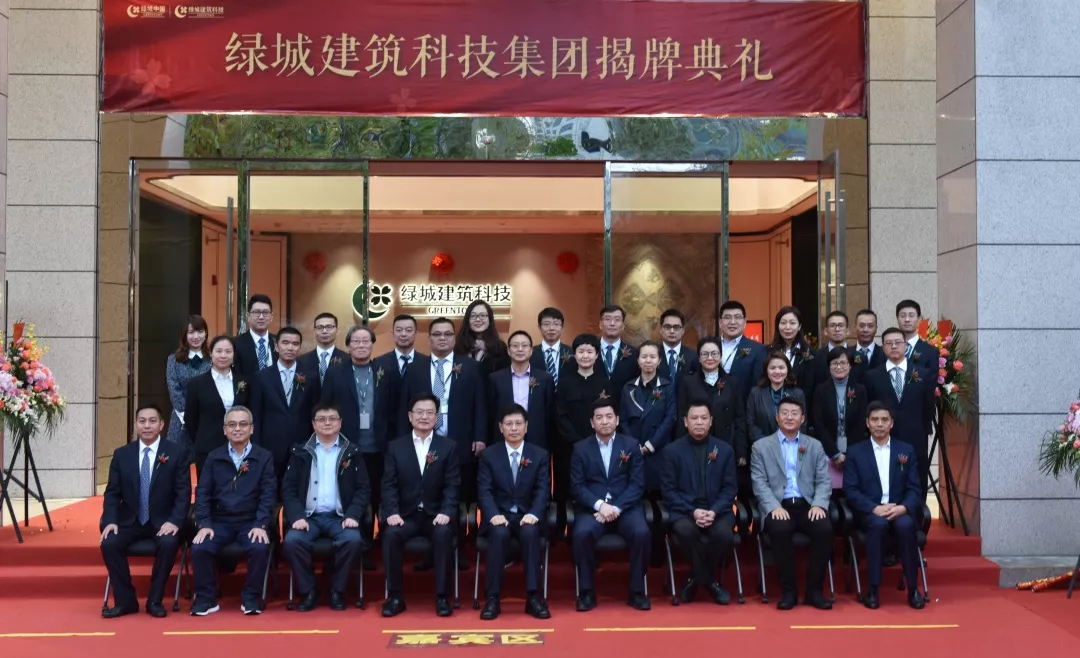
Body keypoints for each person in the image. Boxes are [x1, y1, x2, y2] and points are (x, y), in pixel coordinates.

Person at [100, 404, 192, 618]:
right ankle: (126, 601)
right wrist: (110, 520)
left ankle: (155, 600)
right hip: (130, 520)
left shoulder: (177, 453)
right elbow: (112, 493)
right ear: (135, 425)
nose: (147, 426)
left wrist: (175, 521)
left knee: (169, 542)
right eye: (142, 421)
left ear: (162, 424)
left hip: (164, 520)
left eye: (152, 421)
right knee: (109, 542)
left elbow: (183, 493)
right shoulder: (122, 455)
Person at [281, 403, 371, 612]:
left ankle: (337, 590)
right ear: (313, 424)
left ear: (340, 423)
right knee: (292, 541)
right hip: (308, 517)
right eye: (321, 419)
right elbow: (288, 489)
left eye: (332, 419)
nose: (327, 423)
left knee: (352, 540)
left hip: (340, 517)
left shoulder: (352, 451)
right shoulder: (300, 451)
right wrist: (296, 516)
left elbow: (363, 488)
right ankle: (309, 590)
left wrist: (353, 515)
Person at [189, 406, 276, 616]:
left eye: (243, 424)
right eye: (232, 424)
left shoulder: (263, 457)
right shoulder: (214, 457)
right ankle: (206, 599)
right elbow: (203, 493)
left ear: (252, 429)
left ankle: (251, 598)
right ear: (224, 430)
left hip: (251, 521)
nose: (238, 429)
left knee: (259, 547)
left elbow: (268, 494)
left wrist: (261, 524)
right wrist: (204, 524)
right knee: (200, 547)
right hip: (219, 521)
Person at [380, 394, 461, 618]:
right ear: (410, 416)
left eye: (429, 413)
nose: (424, 417)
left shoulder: (448, 447)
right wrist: (392, 512)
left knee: (444, 534)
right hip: (405, 515)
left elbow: (452, 485)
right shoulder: (396, 447)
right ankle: (395, 597)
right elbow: (388, 484)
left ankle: (442, 597)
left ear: (436, 417)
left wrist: (446, 512)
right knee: (391, 535)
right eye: (419, 412)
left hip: (435, 515)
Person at [750, 397, 833, 611]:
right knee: (780, 529)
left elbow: (824, 480)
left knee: (824, 528)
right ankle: (789, 592)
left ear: (802, 418)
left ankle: (814, 591)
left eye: (794, 413)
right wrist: (774, 507)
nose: (789, 417)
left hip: (807, 504)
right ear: (776, 417)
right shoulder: (761, 447)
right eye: (784, 413)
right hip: (778, 504)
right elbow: (759, 483)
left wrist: (819, 504)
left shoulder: (814, 445)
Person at [320, 325, 396, 560]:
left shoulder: (384, 371)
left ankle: (376, 547)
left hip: (379, 447)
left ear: (372, 345)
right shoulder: (336, 373)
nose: (361, 345)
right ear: (348, 346)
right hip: (347, 447)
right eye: (356, 341)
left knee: (377, 496)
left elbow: (394, 409)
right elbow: (325, 407)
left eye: (366, 341)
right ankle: (355, 547)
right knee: (351, 497)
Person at [570, 399, 650, 612]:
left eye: (609, 417)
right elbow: (577, 486)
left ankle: (637, 591)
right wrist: (600, 505)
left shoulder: (631, 445)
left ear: (617, 420)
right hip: (593, 510)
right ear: (592, 422)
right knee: (582, 533)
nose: (604, 421)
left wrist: (615, 507)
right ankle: (587, 592)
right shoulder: (580, 448)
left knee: (641, 532)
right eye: (599, 418)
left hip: (625, 508)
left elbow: (637, 484)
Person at [843, 403, 925, 610]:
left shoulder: (905, 450)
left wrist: (903, 508)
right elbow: (850, 490)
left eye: (884, 420)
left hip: (899, 509)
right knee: (878, 525)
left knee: (906, 525)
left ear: (891, 423)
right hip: (871, 512)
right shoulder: (855, 452)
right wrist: (874, 508)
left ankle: (913, 589)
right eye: (875, 420)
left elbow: (915, 489)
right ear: (867, 423)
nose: (879, 424)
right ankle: (872, 589)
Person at [476, 404, 552, 621]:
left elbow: (543, 490)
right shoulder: (489, 455)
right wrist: (493, 515)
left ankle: (533, 597)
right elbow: (484, 490)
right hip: (499, 515)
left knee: (530, 532)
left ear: (526, 426)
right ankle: (492, 598)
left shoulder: (539, 455)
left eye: (519, 423)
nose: (514, 428)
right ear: (501, 428)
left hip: (528, 515)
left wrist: (535, 513)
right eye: (509, 424)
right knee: (499, 534)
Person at [661, 401, 737, 605]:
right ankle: (710, 582)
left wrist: (713, 511)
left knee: (723, 534)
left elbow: (730, 489)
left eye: (704, 418)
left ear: (711, 421)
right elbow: (669, 491)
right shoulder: (672, 451)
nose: (699, 422)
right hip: (684, 511)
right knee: (686, 531)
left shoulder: (724, 450)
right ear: (685, 422)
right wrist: (692, 511)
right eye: (694, 418)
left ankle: (696, 579)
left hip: (717, 510)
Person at [863, 328, 935, 498]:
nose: (893, 346)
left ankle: (917, 513)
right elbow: (869, 408)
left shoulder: (923, 374)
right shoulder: (872, 376)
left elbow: (928, 407)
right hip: (884, 439)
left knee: (916, 484)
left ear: (906, 346)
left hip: (915, 438)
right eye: (889, 343)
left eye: (898, 342)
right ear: (883, 348)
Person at [553, 333, 612, 537]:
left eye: (589, 351)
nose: (585, 356)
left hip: (599, 448)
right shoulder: (564, 383)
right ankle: (560, 532)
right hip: (569, 448)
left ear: (597, 355)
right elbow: (560, 416)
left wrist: (594, 441)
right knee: (564, 489)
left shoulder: (605, 383)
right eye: (581, 351)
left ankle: (591, 529)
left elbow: (609, 416)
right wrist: (579, 442)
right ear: (574, 355)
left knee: (593, 487)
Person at [252, 326, 321, 487]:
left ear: (300, 348)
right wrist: (257, 448)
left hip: (302, 447)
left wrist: (312, 445)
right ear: (276, 346)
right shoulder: (261, 377)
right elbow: (256, 415)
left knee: (299, 491)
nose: (290, 347)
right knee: (271, 491)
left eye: (295, 344)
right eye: (285, 343)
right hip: (270, 447)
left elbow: (315, 413)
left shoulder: (311, 376)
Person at [185, 335, 251, 474]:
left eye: (228, 351)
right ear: (211, 353)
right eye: (219, 351)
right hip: (207, 448)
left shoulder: (244, 382)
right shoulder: (196, 384)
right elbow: (190, 420)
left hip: (240, 448)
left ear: (233, 355)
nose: (223, 355)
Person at [618, 340, 676, 495]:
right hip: (633, 449)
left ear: (659, 360)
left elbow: (670, 418)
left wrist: (651, 445)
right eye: (644, 357)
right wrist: (634, 445)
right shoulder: (628, 387)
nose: (648, 360)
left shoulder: (667, 387)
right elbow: (623, 420)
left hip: (659, 448)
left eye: (652, 356)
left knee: (657, 494)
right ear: (638, 360)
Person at [678, 337, 746, 464]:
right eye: (705, 354)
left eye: (714, 353)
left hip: (726, 443)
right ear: (699, 358)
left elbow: (739, 418)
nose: (710, 358)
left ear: (720, 356)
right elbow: (681, 415)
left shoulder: (732, 382)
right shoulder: (688, 382)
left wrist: (741, 451)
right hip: (695, 443)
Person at [812, 347, 869, 491]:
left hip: (854, 451)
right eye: (834, 363)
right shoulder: (820, 390)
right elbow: (818, 424)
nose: (839, 367)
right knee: (829, 492)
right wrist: (834, 454)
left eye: (843, 363)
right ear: (829, 366)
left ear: (850, 366)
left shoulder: (859, 390)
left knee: (853, 490)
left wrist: (849, 454)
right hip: (827, 452)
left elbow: (861, 423)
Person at [490, 330, 555, 451]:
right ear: (508, 351)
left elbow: (549, 413)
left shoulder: (545, 379)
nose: (520, 349)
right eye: (515, 346)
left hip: (536, 438)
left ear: (531, 350)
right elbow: (491, 412)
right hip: (504, 438)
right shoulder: (495, 379)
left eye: (524, 345)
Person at [164, 315, 211, 446]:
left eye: (200, 331)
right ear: (184, 335)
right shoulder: (173, 360)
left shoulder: (213, 359)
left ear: (206, 333)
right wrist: (187, 417)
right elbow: (174, 390)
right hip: (180, 421)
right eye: (191, 332)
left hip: (206, 420)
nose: (196, 336)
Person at [746, 352, 807, 448]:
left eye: (781, 368)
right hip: (763, 447)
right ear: (766, 370)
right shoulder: (755, 393)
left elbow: (803, 423)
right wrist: (768, 444)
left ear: (787, 370)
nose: (777, 371)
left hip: (790, 446)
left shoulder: (798, 393)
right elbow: (751, 423)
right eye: (773, 368)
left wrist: (787, 441)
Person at [716, 300, 766, 408]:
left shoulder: (758, 350)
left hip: (743, 410)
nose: (732, 322)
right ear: (720, 322)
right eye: (727, 317)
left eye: (737, 317)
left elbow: (757, 387)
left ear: (744, 322)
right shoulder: (709, 346)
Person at [456, 300, 510, 384]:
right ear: (467, 319)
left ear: (490, 319)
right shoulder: (459, 346)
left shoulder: (499, 348)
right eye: (473, 316)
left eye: (482, 315)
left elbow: (504, 378)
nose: (478, 319)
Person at [768, 306, 815, 402]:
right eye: (783, 323)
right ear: (778, 326)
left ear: (799, 326)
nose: (787, 327)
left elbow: (811, 387)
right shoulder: (767, 352)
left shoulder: (811, 354)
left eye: (792, 323)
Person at [597, 304, 639, 396]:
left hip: (623, 402)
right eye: (608, 319)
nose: (612, 323)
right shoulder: (590, 350)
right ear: (600, 324)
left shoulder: (634, 354)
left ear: (623, 326)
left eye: (617, 319)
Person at [297, 312, 349, 385]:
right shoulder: (301, 361)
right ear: (314, 331)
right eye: (320, 327)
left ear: (337, 330)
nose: (324, 331)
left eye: (329, 327)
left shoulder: (347, 359)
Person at [895, 300, 940, 382]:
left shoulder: (931, 351)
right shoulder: (886, 349)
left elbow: (931, 382)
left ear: (919, 319)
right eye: (903, 316)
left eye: (911, 316)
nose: (907, 319)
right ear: (897, 318)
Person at [233, 294, 277, 376]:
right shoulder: (236, 343)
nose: (261, 317)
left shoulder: (278, 341)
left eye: (265, 312)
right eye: (256, 312)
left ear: (271, 317)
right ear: (248, 316)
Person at [530, 307, 573, 389]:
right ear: (539, 327)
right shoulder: (530, 353)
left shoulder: (572, 352)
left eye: (556, 324)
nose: (551, 328)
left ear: (562, 327)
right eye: (546, 324)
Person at [657, 308, 698, 389]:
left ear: (683, 330)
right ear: (661, 329)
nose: (672, 331)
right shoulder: (653, 354)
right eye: (667, 327)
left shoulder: (693, 356)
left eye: (676, 327)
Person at [850, 309, 885, 386]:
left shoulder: (884, 354)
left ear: (876, 329)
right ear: (855, 327)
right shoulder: (847, 354)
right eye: (861, 326)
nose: (865, 330)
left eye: (870, 326)